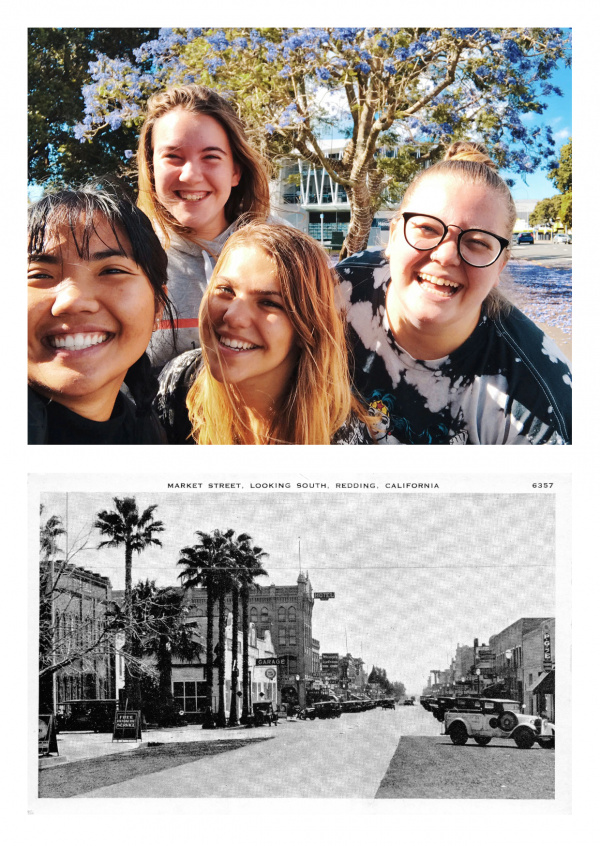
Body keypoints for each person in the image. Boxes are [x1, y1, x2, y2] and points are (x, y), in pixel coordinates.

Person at [336, 141, 572, 444]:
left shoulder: (537, 402)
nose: (446, 256)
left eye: (477, 241)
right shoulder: (340, 289)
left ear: (500, 265)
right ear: (394, 237)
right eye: (427, 229)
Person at [155, 222, 373, 444]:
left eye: (269, 302)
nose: (233, 316)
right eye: (225, 290)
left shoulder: (341, 439)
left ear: (307, 328)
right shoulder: (178, 382)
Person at [137, 84, 271, 369]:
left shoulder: (282, 254)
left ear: (235, 170)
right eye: (173, 157)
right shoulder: (126, 259)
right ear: (151, 168)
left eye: (211, 157)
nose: (191, 175)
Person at [28, 186, 174, 444]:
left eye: (111, 271)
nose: (72, 301)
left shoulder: (149, 432)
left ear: (158, 306)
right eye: (40, 275)